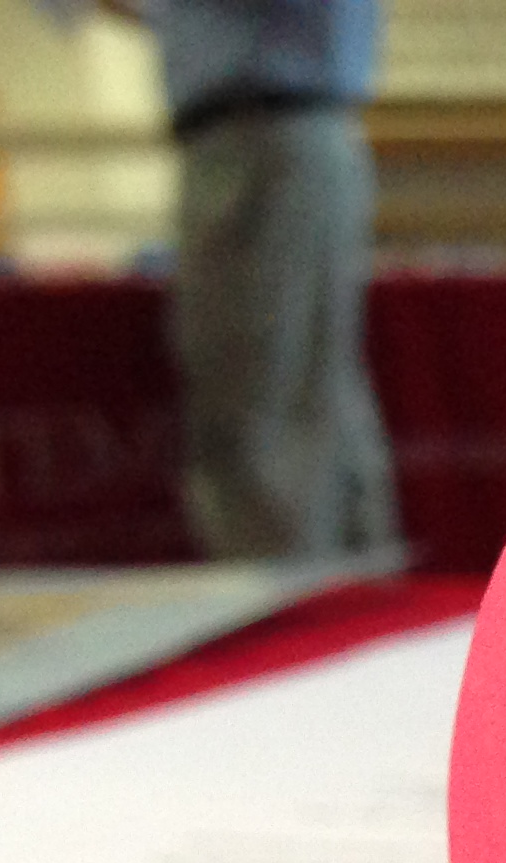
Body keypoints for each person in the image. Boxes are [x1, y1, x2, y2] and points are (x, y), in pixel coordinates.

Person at [129, 0, 400, 558]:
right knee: (308, 400)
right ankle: (347, 594)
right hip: (280, 130)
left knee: (262, 419)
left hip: (264, 132)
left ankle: (300, 601)